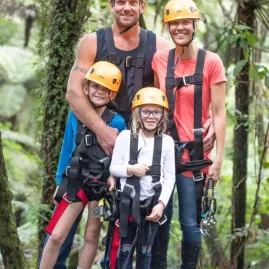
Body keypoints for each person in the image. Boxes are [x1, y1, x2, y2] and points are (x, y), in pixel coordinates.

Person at [47, 0, 215, 267]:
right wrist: (103, 131)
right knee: (65, 214)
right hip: (87, 137)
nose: (126, 8)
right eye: (120, 2)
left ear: (143, 7)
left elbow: (177, 87)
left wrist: (212, 119)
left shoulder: (158, 46)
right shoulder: (93, 42)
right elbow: (73, 92)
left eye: (132, 2)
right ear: (112, 5)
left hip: (138, 142)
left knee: (124, 218)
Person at [152, 0, 227, 268]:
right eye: (174, 23)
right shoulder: (160, 60)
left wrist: (218, 161)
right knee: (159, 218)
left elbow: (219, 112)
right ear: (168, 28)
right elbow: (152, 105)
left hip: (194, 155)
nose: (180, 27)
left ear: (195, 25)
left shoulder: (211, 62)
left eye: (185, 22)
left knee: (190, 223)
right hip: (162, 155)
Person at [39, 61, 126, 269]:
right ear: (86, 87)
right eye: (95, 86)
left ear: (112, 94)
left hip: (101, 188)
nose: (99, 92)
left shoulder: (118, 122)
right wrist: (60, 181)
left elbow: (119, 157)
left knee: (92, 234)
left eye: (106, 89)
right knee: (57, 234)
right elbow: (67, 148)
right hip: (76, 184)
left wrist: (114, 181)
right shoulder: (75, 115)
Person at [109, 87, 175, 269]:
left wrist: (161, 205)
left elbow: (169, 178)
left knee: (145, 253)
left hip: (151, 205)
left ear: (162, 115)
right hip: (127, 204)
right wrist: (131, 169)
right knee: (125, 251)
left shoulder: (167, 142)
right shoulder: (125, 137)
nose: (151, 116)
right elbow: (114, 167)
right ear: (138, 114)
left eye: (156, 112)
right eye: (146, 111)